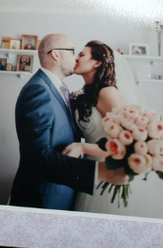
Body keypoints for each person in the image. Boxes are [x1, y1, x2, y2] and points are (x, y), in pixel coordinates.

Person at [63, 40, 163, 218]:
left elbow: (128, 143)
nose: (76, 58)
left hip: (111, 174)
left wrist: (82, 148)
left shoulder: (107, 93)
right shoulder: (87, 94)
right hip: (93, 173)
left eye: (81, 55)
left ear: (97, 62)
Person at [9, 33, 103, 210]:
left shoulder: (58, 88)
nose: (76, 57)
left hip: (60, 193)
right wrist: (97, 173)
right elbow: (37, 156)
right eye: (72, 51)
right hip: (43, 199)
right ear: (56, 54)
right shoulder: (38, 90)